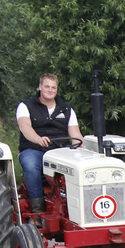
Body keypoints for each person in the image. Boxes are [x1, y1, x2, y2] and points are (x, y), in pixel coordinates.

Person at [16, 73, 83, 211]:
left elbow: (75, 133)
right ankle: (38, 208)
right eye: (47, 86)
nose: (50, 90)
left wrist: (82, 149)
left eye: (53, 87)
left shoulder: (66, 108)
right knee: (30, 164)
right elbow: (24, 126)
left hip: (60, 151)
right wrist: (38, 139)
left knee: (80, 166)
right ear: (40, 87)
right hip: (35, 150)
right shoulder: (26, 106)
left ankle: (76, 206)